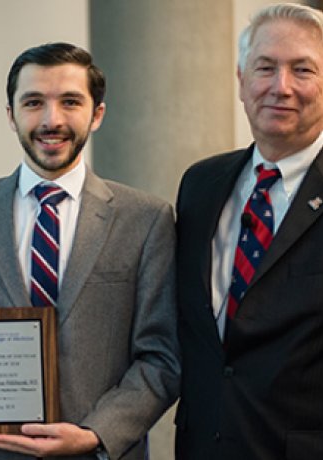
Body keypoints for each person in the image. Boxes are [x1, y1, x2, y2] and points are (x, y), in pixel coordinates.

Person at [0, 42, 180, 460]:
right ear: (11, 115)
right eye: (33, 102)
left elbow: (161, 356)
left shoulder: (146, 219)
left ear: (96, 114)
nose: (52, 120)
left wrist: (95, 433)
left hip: (101, 453)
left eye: (70, 102)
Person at [175, 3, 323, 459]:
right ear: (241, 80)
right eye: (265, 67)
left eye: (302, 69)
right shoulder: (200, 185)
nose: (281, 87)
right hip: (202, 446)